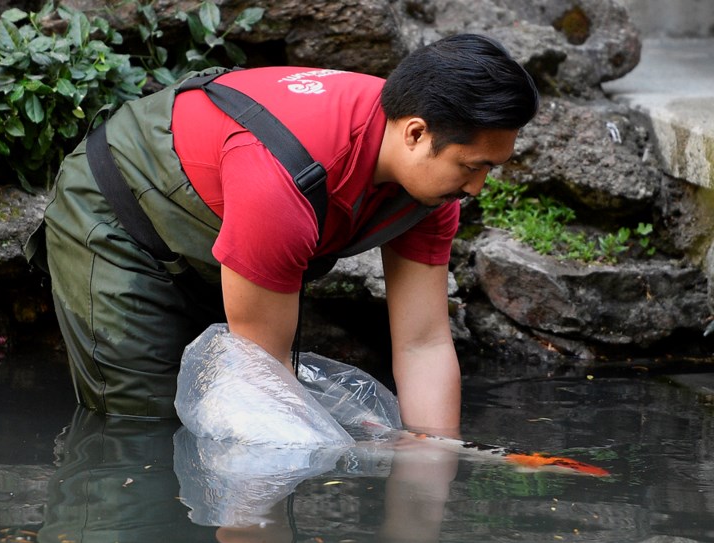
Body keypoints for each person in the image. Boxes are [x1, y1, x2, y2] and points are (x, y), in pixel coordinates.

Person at [27, 33, 539, 431]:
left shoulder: (432, 191)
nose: (477, 187)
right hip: (120, 219)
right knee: (144, 424)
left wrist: (432, 465)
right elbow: (261, 378)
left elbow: (424, 343)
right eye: (473, 166)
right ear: (416, 133)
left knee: (228, 419)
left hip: (221, 233)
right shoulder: (283, 178)